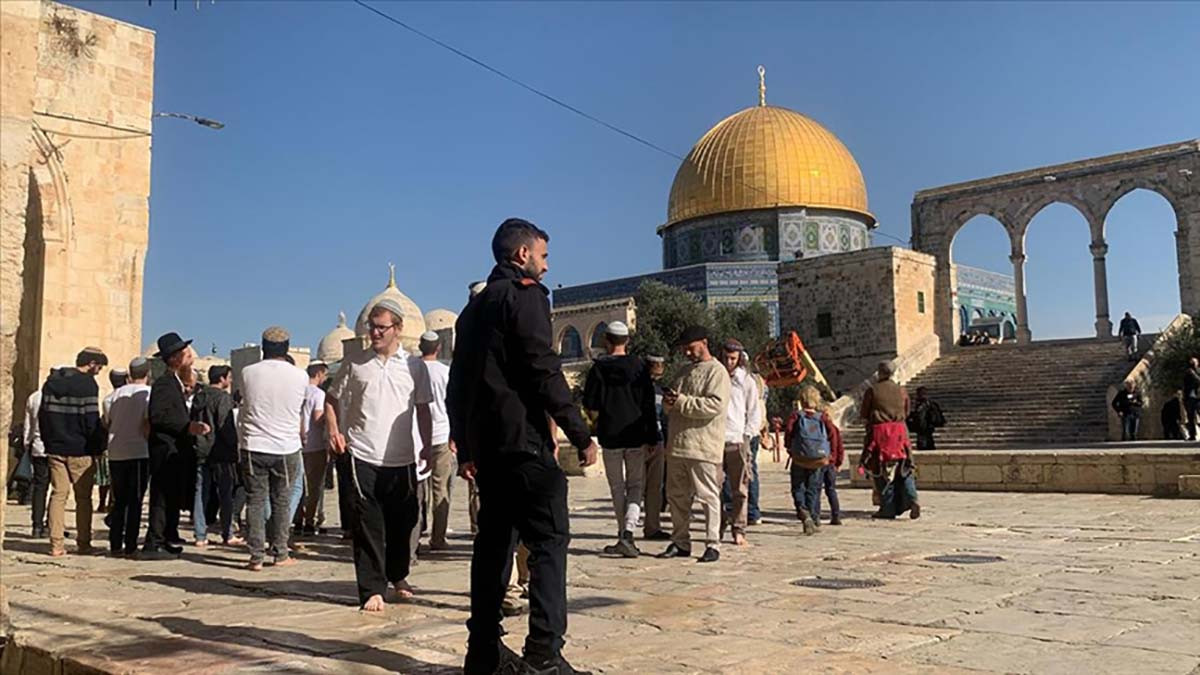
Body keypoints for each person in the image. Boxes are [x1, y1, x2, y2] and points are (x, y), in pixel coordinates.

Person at [449, 218, 598, 675]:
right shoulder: (525, 296)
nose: (547, 266)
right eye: (543, 256)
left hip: (490, 450)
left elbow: (458, 386)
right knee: (549, 541)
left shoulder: (472, 311)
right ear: (522, 255)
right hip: (525, 444)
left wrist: (467, 448)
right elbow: (542, 369)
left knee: (493, 545)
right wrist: (579, 432)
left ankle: (483, 652)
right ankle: (544, 651)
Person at [325, 299, 433, 610]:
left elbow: (423, 409)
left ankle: (398, 575)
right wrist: (334, 431)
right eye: (372, 327)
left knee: (404, 522)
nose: (375, 333)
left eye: (381, 327)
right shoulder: (355, 363)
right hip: (363, 454)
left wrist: (426, 445)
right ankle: (372, 588)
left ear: (398, 329)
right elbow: (331, 399)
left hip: (402, 457)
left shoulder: (414, 367)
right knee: (368, 524)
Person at [582, 320, 657, 558]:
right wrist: (652, 436)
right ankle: (629, 532)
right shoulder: (639, 367)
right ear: (627, 340)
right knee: (636, 486)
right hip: (635, 435)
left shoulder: (598, 369)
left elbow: (590, 403)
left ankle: (622, 534)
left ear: (606, 340)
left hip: (610, 435)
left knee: (617, 487)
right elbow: (648, 404)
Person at [658, 324, 731, 564]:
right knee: (676, 496)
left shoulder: (717, 372)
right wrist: (669, 402)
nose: (687, 353)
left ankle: (712, 543)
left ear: (704, 343)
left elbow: (714, 405)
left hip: (703, 446)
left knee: (708, 496)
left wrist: (681, 402)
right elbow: (671, 405)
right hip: (678, 445)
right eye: (684, 349)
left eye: (690, 348)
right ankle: (680, 541)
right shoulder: (682, 372)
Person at [239, 326, 308, 571]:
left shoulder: (247, 372)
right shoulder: (300, 376)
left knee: (255, 502)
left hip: (253, 445)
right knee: (281, 501)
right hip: (286, 446)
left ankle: (256, 556)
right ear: (287, 348)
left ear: (263, 347)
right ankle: (280, 552)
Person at [145, 334, 208, 559]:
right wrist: (188, 426)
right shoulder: (164, 384)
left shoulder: (174, 383)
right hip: (165, 449)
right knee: (161, 499)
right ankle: (154, 543)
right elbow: (158, 416)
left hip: (174, 450)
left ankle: (166, 538)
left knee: (171, 497)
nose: (190, 358)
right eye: (185, 355)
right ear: (174, 359)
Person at [40, 347, 108, 556]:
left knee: (58, 495)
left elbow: (43, 416)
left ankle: (56, 544)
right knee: (83, 498)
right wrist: (98, 447)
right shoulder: (88, 384)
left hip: (55, 448)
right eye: (99, 367)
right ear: (92, 364)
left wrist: (48, 442)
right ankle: (84, 543)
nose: (99, 371)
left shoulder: (51, 383)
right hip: (80, 449)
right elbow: (91, 420)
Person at [858, 360, 919, 520]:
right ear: (893, 373)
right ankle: (913, 498)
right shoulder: (902, 391)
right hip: (900, 432)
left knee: (880, 470)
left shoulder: (872, 391)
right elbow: (907, 412)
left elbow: (864, 413)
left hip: (880, 433)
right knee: (905, 467)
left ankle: (888, 508)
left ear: (879, 373)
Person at [104, 357, 152, 556]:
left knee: (119, 499)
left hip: (116, 452)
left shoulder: (114, 395)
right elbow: (147, 423)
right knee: (135, 500)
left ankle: (115, 543)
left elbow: (107, 421)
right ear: (148, 373)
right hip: (138, 451)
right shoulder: (148, 394)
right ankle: (130, 544)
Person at [192, 364, 243, 546]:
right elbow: (224, 425)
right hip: (220, 451)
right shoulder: (223, 398)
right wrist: (234, 447)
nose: (230, 380)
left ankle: (200, 535)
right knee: (225, 494)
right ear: (222, 379)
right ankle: (227, 533)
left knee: (200, 492)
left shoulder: (199, 397)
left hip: (201, 448)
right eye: (229, 377)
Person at [784, 386, 844, 532]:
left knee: (798, 487)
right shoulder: (822, 417)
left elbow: (788, 433)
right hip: (818, 459)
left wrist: (790, 448)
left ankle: (803, 512)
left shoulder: (796, 416)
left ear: (802, 400)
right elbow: (832, 434)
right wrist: (832, 455)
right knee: (813, 489)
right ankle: (813, 516)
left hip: (799, 458)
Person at [416, 331, 455, 551]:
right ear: (438, 348)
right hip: (441, 435)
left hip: (416, 437)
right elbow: (452, 405)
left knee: (416, 489)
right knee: (440, 489)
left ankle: (415, 535)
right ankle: (438, 538)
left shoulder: (412, 369)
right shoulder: (445, 372)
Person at [718, 339, 759, 547]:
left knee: (740, 489)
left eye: (733, 359)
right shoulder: (716, 376)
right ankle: (718, 524)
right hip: (716, 439)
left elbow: (754, 411)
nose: (729, 362)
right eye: (726, 358)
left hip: (737, 439)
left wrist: (746, 435)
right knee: (714, 487)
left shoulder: (746, 381)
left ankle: (739, 528)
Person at [24, 367, 58, 538]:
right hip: (55, 448)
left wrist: (27, 443)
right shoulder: (59, 396)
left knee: (40, 487)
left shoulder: (34, 397)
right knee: (57, 489)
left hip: (38, 447)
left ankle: (36, 525)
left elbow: (28, 424)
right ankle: (50, 524)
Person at [297, 362, 329, 537]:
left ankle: (298, 519)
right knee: (315, 486)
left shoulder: (298, 391)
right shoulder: (318, 394)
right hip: (315, 444)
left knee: (298, 485)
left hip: (297, 444)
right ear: (319, 374)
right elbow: (317, 417)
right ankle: (310, 521)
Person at [642, 355, 670, 541]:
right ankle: (633, 527)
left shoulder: (660, 392)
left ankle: (651, 526)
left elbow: (664, 418)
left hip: (655, 441)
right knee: (642, 487)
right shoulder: (640, 390)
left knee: (653, 487)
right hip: (645, 441)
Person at [96, 369, 127, 513]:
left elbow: (108, 422)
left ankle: (103, 503)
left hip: (110, 441)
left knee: (105, 476)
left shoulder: (107, 400)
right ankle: (113, 503)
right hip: (125, 443)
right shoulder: (129, 398)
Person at [1184, 358, 1200, 441]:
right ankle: (1192, 435)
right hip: (1190, 397)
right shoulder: (1188, 372)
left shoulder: (1198, 371)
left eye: (1194, 362)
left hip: (1198, 397)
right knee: (1190, 417)